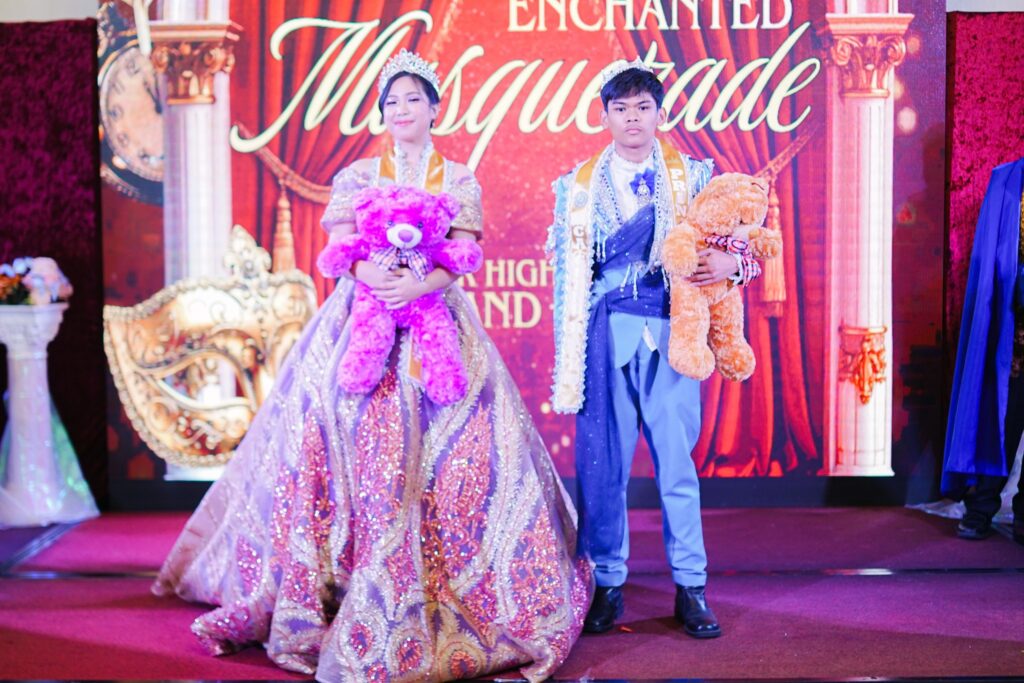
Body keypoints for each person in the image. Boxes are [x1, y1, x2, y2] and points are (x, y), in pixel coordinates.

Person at [154, 49, 592, 683]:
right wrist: (372, 274)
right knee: (335, 430)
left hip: (436, 318)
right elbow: (337, 247)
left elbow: (464, 252)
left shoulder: (458, 178)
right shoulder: (358, 175)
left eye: (413, 99)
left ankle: (452, 585)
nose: (401, 110)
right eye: (391, 102)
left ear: (434, 108)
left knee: (461, 445)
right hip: (359, 317)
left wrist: (418, 286)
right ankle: (340, 581)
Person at [546, 59, 761, 638]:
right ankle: (606, 584)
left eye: (643, 107)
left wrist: (734, 263)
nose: (633, 118)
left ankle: (692, 587)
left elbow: (747, 234)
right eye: (621, 109)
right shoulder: (576, 186)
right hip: (605, 337)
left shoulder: (695, 175)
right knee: (604, 469)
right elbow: (567, 275)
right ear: (605, 116)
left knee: (677, 466)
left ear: (659, 113)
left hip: (672, 334)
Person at [942, 157, 1024, 545]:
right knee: (1002, 419)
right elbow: (995, 259)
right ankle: (981, 508)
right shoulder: (1006, 181)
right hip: (1014, 327)